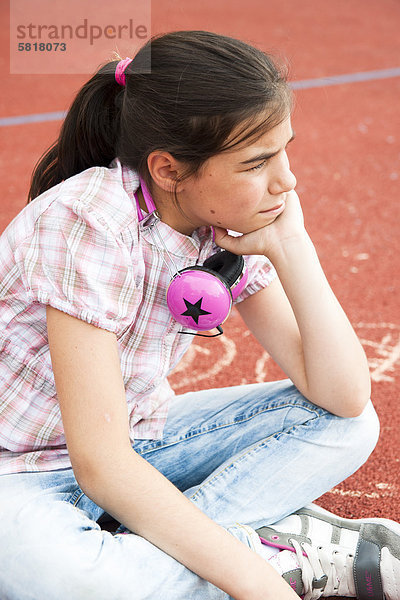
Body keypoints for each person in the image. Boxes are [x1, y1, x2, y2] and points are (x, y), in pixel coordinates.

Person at [0, 29, 398, 600]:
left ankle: (165, 556)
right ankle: (270, 555)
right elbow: (100, 465)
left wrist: (292, 245)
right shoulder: (88, 223)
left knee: (350, 425)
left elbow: (341, 395)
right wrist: (256, 585)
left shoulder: (222, 222)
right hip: (20, 468)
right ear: (167, 169)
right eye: (257, 162)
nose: (286, 179)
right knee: (63, 581)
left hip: (137, 440)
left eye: (285, 149)